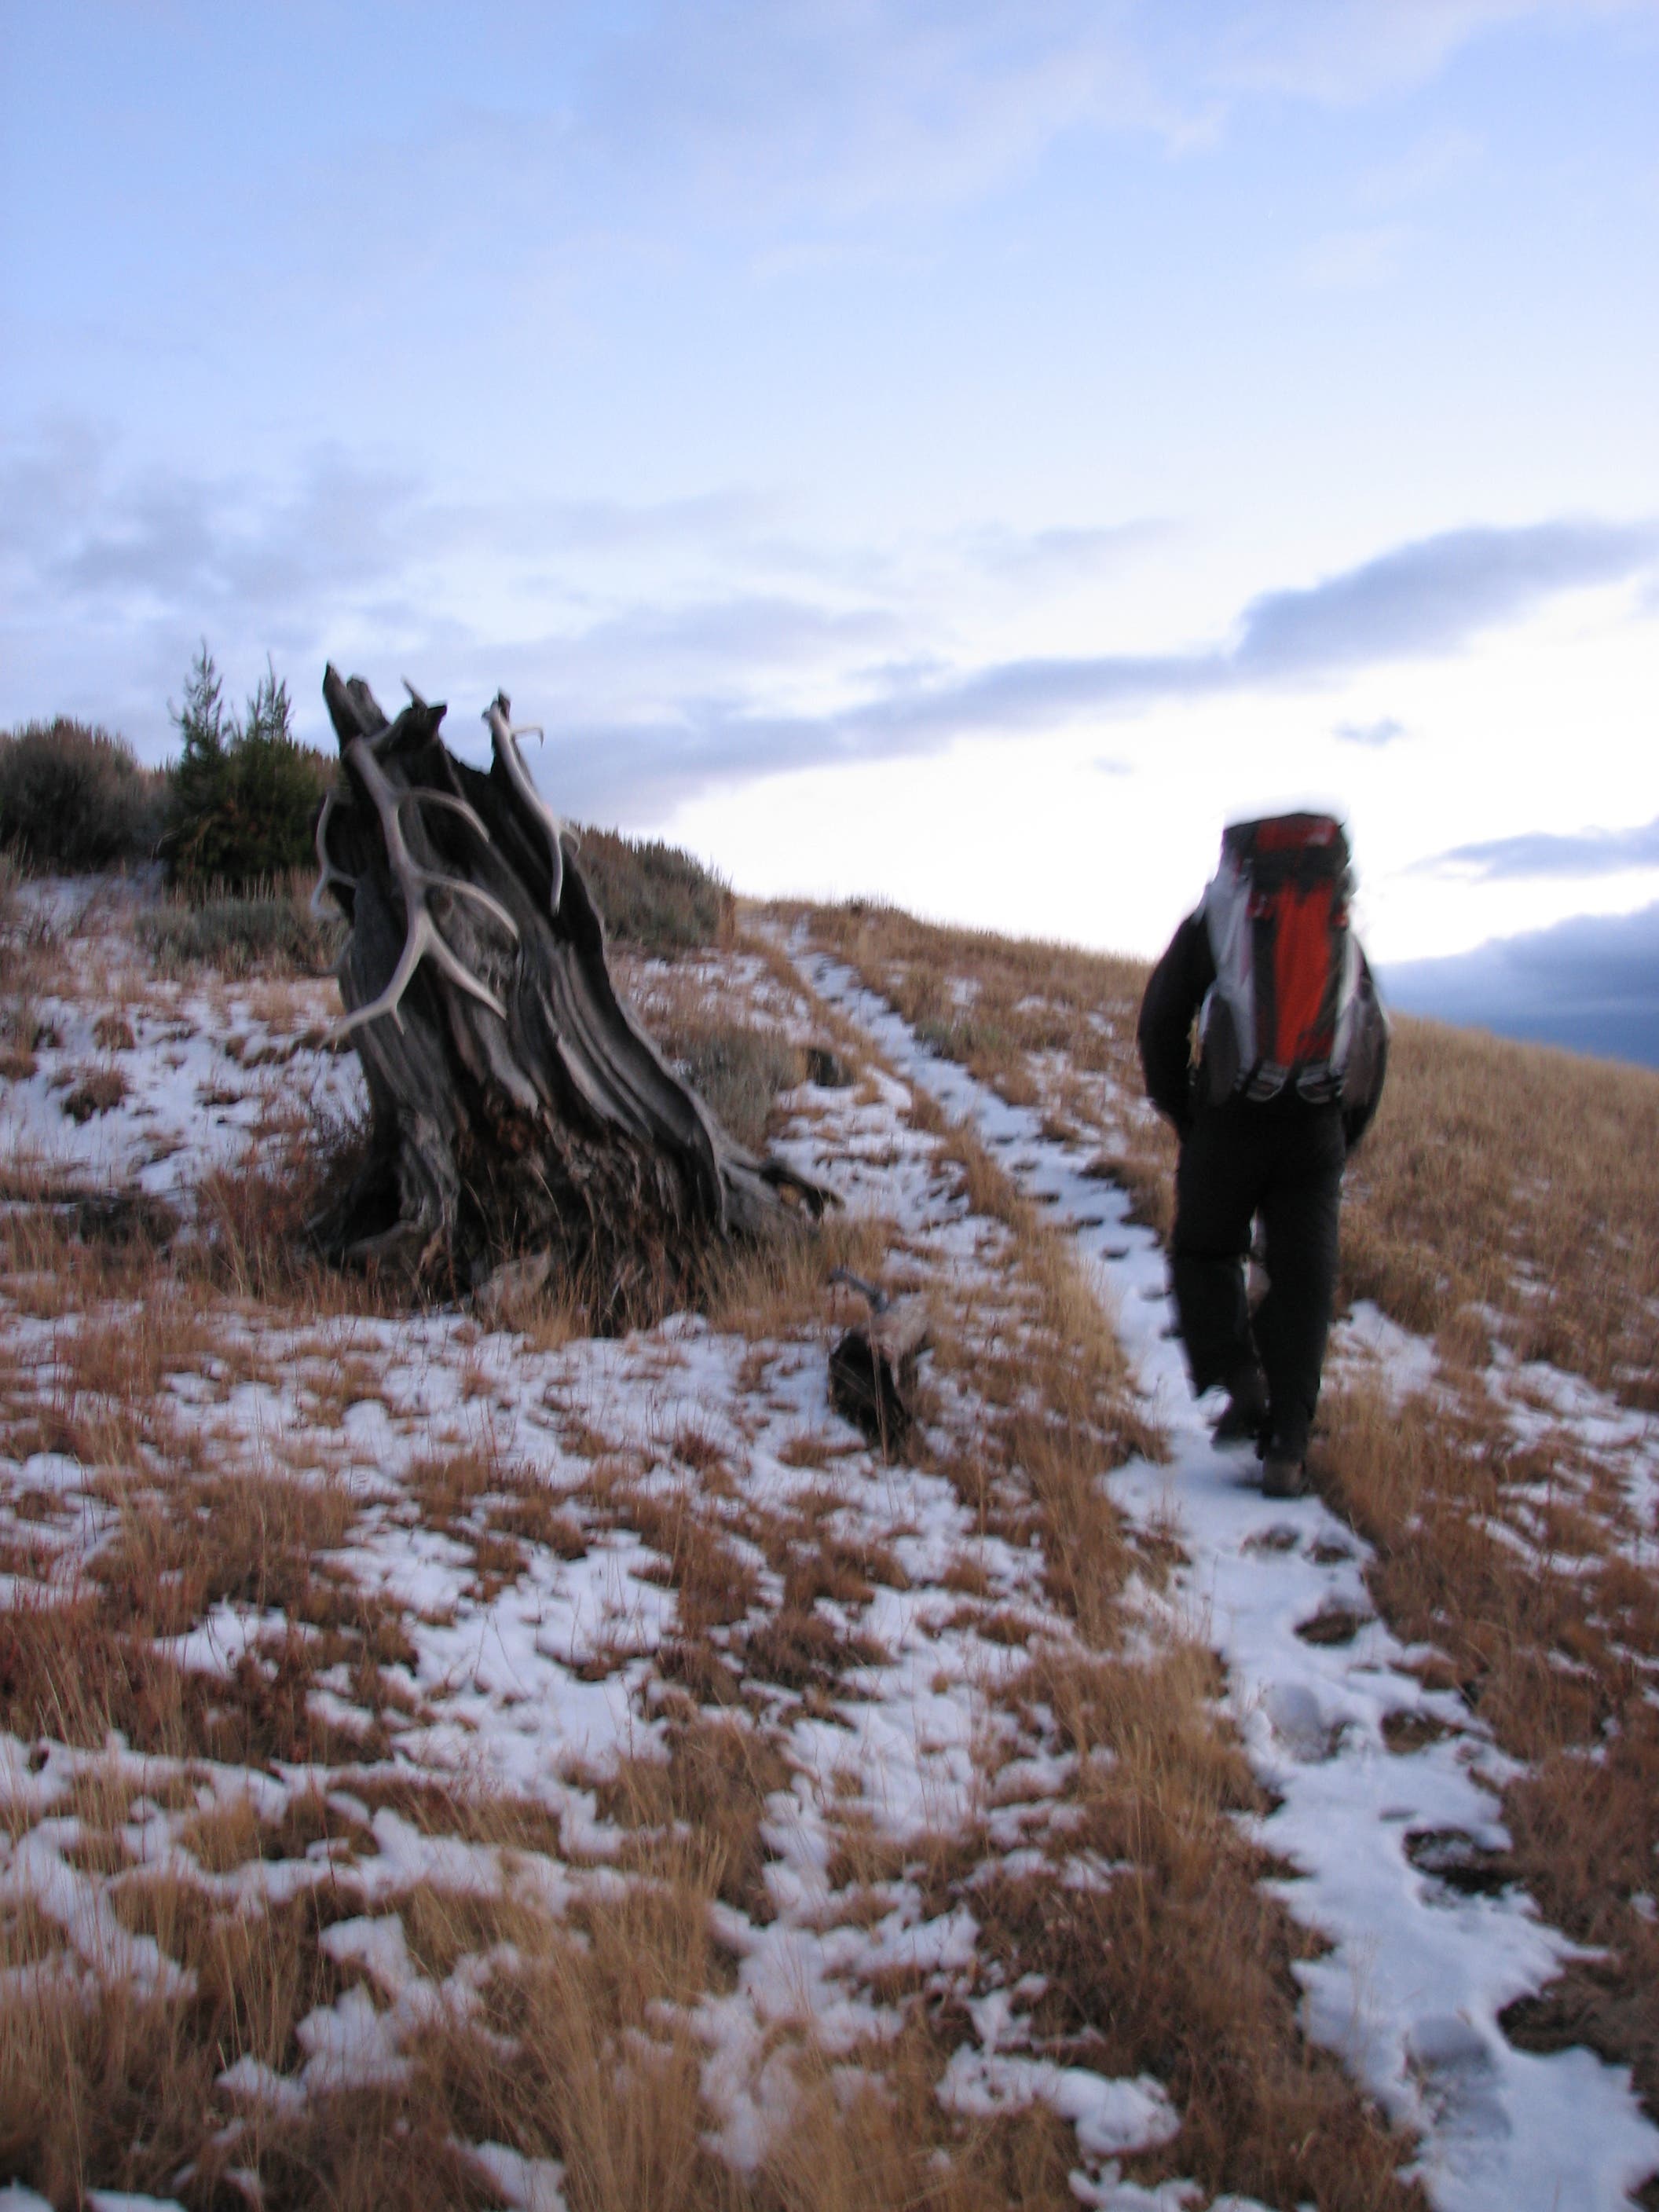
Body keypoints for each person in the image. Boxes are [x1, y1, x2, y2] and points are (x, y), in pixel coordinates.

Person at [1136, 812, 1388, 1497]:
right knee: (1305, 1282)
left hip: (1230, 1119)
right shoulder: (1339, 925)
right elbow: (1373, 1036)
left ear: (1238, 859)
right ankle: (1288, 1447)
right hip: (1316, 1127)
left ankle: (1242, 1381)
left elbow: (1162, 1017)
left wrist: (1184, 1111)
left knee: (1206, 1252)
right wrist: (1341, 1140)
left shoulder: (1220, 916)